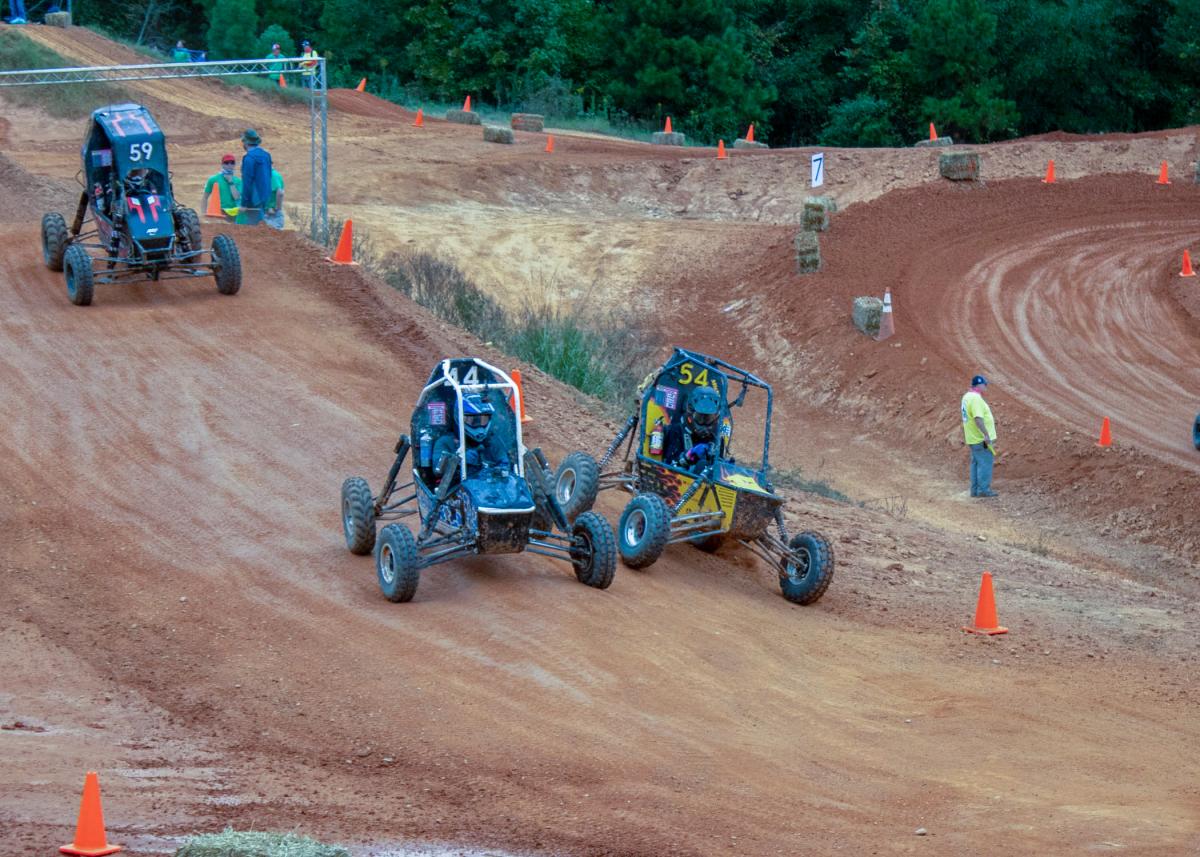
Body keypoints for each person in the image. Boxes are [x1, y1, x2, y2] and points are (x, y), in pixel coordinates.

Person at [431, 394, 511, 480]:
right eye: (473, 421)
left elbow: (505, 465)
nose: (479, 426)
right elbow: (437, 471)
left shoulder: (492, 442)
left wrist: (499, 470)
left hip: (490, 489)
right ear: (459, 418)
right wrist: (458, 461)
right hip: (456, 490)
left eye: (483, 420)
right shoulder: (446, 442)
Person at [663, 385, 725, 471]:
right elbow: (669, 465)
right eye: (700, 417)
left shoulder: (717, 438)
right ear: (690, 413)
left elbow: (717, 469)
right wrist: (689, 456)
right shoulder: (676, 431)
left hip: (706, 481)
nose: (704, 423)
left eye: (709, 418)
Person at [961, 374, 998, 498]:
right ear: (979, 385)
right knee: (985, 463)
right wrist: (986, 435)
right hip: (980, 439)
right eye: (984, 384)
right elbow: (978, 418)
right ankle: (983, 490)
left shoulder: (967, 396)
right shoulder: (976, 399)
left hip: (972, 438)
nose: (986, 386)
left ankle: (975, 490)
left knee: (976, 464)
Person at [238, 129, 272, 226]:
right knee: (262, 225)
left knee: (253, 230)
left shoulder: (249, 158)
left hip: (253, 199)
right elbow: (269, 176)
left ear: (245, 142)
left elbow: (247, 182)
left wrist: (244, 204)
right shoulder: (267, 156)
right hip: (265, 197)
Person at [201, 153, 241, 222]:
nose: (229, 165)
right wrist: (204, 214)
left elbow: (237, 197)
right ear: (222, 164)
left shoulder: (238, 181)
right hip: (218, 215)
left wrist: (230, 182)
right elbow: (205, 197)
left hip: (233, 215)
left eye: (232, 163)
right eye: (226, 163)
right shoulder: (213, 179)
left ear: (234, 165)